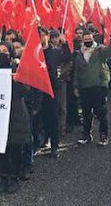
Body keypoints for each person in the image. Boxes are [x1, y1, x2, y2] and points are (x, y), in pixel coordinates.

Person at [0, 43, 31, 193]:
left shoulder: (18, 69)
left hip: (15, 113)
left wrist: (17, 80)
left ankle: (14, 177)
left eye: (5, 51)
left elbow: (25, 91)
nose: (2, 53)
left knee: (15, 147)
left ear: (11, 52)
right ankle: (3, 176)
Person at [73, 29, 111, 146]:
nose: (87, 41)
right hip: (84, 87)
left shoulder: (100, 50)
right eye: (85, 39)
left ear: (93, 38)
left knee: (101, 112)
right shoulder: (79, 53)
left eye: (89, 39)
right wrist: (76, 86)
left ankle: (103, 136)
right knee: (86, 113)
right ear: (82, 40)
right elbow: (77, 71)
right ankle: (86, 135)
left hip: (98, 86)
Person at [38, 28, 71, 158]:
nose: (40, 38)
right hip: (39, 88)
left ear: (46, 36)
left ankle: (55, 145)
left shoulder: (55, 52)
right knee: (42, 116)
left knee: (53, 117)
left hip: (52, 88)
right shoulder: (36, 52)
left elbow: (67, 57)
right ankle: (45, 139)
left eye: (41, 35)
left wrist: (65, 43)